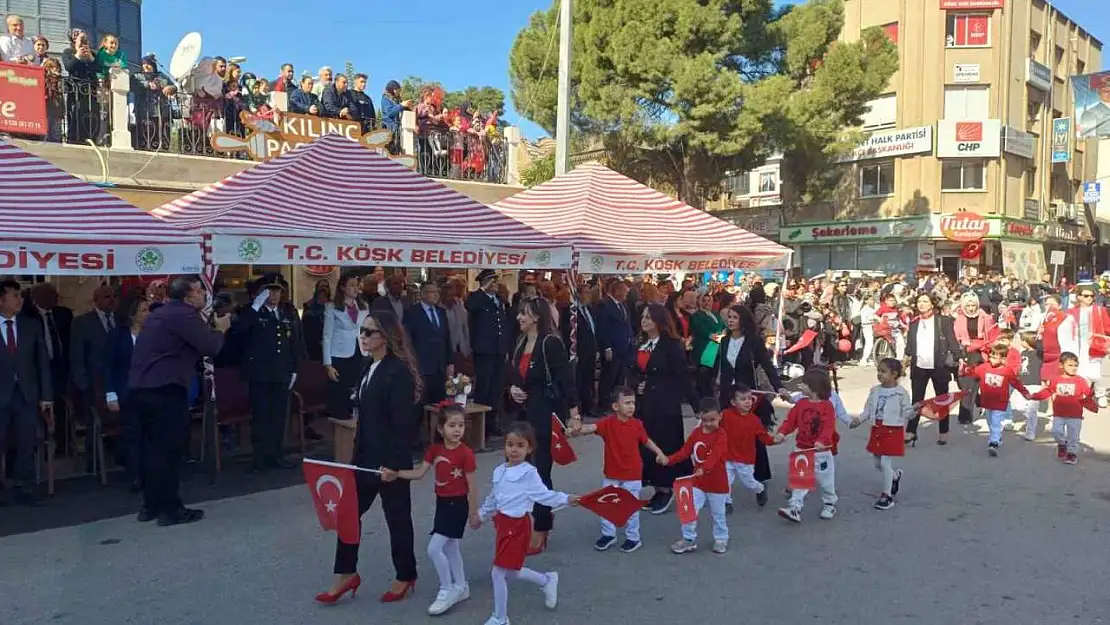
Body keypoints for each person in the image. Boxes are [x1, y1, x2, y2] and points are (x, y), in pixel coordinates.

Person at [315, 311, 422, 604]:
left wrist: (394, 465)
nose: (363, 336)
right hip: (363, 456)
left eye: (369, 331)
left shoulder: (397, 371)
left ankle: (405, 574)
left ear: (385, 336)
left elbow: (403, 424)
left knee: (397, 519)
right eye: (362, 331)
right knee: (349, 515)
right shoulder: (368, 366)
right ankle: (345, 574)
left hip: (388, 459)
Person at [129, 275, 228, 526]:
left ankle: (150, 505)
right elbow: (209, 346)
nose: (203, 296)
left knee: (152, 450)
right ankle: (170, 509)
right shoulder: (183, 315)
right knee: (169, 451)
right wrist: (221, 329)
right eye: (198, 291)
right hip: (165, 389)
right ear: (187, 296)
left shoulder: (161, 313)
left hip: (143, 389)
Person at [476, 422, 577, 625]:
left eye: (520, 445)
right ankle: (547, 580)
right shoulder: (499, 471)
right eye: (510, 444)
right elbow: (494, 498)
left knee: (498, 572)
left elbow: (544, 496)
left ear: (529, 448)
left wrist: (566, 498)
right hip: (502, 525)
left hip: (518, 527)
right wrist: (481, 515)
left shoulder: (529, 473)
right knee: (511, 570)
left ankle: (500, 617)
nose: (514, 450)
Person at [383, 405, 479, 616]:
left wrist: (473, 512)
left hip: (457, 505)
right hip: (442, 503)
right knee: (451, 547)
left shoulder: (466, 453)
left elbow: (472, 485)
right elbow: (419, 473)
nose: (457, 430)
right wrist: (396, 474)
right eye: (452, 425)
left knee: (434, 549)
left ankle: (447, 589)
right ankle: (462, 585)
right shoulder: (434, 450)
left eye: (461, 425)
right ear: (440, 429)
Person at [508, 297, 580, 554]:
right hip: (523, 415)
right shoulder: (519, 342)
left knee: (540, 472)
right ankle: (533, 520)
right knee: (522, 471)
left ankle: (541, 526)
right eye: (519, 314)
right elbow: (516, 375)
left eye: (524, 314)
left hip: (543, 414)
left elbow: (566, 379)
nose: (519, 318)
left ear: (537, 317)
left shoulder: (550, 342)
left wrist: (574, 413)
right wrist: (513, 389)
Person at [571, 385, 667, 553]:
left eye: (633, 403)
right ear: (616, 406)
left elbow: (646, 441)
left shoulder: (637, 424)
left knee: (631, 508)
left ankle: (633, 538)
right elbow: (590, 428)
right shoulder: (607, 423)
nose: (631, 407)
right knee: (606, 506)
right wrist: (575, 430)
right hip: (612, 474)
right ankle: (608, 534)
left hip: (632, 475)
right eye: (627, 403)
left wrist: (659, 452)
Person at [226, 274, 301, 472]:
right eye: (269, 290)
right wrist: (254, 307)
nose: (274, 294)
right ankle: (260, 458)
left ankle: (276, 454)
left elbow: (294, 341)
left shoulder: (286, 313)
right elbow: (239, 332)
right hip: (260, 373)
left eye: (277, 290)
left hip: (281, 372)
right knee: (261, 417)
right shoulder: (251, 312)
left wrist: (295, 367)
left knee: (278, 417)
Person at [632, 304, 697, 515]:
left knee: (665, 444)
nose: (644, 321)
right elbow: (633, 370)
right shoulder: (641, 343)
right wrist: (637, 384)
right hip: (644, 404)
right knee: (647, 445)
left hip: (665, 403)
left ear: (659, 320)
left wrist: (698, 406)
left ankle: (666, 488)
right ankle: (656, 486)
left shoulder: (671, 344)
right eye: (643, 317)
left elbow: (683, 376)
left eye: (649, 318)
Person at [715, 304, 787, 483]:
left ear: (743, 320)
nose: (730, 320)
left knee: (754, 434)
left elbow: (767, 365)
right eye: (729, 317)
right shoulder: (724, 341)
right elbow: (720, 367)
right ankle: (725, 475)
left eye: (734, 317)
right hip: (728, 395)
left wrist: (779, 387)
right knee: (725, 434)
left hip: (748, 395)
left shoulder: (753, 341)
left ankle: (760, 476)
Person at [0, 279, 53, 505]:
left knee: (26, 442)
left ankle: (25, 485)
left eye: (21, 296)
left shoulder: (31, 325)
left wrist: (46, 396)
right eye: (14, 296)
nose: (20, 300)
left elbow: (42, 362)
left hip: (26, 394)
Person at [660, 397, 730, 554]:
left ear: (720, 416)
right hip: (698, 482)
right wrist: (668, 460)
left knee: (718, 514)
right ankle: (688, 539)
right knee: (689, 510)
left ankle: (721, 538)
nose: (709, 424)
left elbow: (716, 455)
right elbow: (685, 451)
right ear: (699, 417)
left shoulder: (721, 435)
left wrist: (704, 468)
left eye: (712, 420)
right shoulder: (697, 433)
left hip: (717, 484)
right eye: (705, 420)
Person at [774, 368, 838, 523]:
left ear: (814, 388)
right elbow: (791, 420)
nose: (800, 386)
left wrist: (822, 441)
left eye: (804, 384)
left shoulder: (827, 406)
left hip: (821, 452)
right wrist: (783, 432)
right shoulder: (801, 403)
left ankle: (830, 503)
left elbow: (829, 426)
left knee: (825, 480)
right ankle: (795, 507)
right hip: (802, 449)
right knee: (800, 479)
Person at [104, 297, 153, 491]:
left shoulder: (154, 334)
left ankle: (151, 474)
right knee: (133, 435)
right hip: (127, 391)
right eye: (143, 310)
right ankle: (136, 475)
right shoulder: (118, 336)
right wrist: (111, 393)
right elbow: (108, 365)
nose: (148, 313)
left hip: (151, 390)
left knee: (151, 435)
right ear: (133, 315)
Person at [903, 293, 962, 446]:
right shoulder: (914, 323)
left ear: (932, 304)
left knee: (942, 400)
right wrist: (904, 363)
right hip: (919, 366)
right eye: (919, 301)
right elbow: (909, 347)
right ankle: (911, 431)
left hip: (939, 366)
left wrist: (959, 358)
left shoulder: (943, 321)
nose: (921, 304)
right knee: (916, 400)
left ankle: (943, 432)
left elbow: (952, 341)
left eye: (925, 301)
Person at [70, 284, 116, 470]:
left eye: (113, 296)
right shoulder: (82, 322)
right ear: (95, 300)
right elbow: (76, 354)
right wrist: (81, 382)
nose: (111, 300)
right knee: (93, 422)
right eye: (106, 296)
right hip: (93, 381)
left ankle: (120, 454)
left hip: (118, 378)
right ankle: (94, 461)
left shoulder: (121, 320)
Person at [960, 344, 1032, 457]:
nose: (991, 360)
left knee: (996, 422)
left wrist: (1025, 393)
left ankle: (993, 444)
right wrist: (964, 370)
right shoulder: (984, 367)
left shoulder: (1007, 371)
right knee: (989, 421)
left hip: (1000, 402)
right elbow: (974, 371)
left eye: (995, 357)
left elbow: (1016, 383)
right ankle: (997, 437)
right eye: (991, 356)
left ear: (1003, 359)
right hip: (987, 401)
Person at [858, 358, 912, 510]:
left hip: (893, 429)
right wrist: (859, 420)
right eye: (878, 371)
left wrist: (913, 411)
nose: (879, 374)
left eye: (883, 371)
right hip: (877, 428)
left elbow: (907, 412)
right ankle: (894, 477)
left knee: (884, 462)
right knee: (877, 463)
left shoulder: (901, 393)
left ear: (894, 374)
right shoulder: (875, 391)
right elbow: (868, 410)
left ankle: (887, 495)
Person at [1030, 352, 1098, 465]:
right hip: (1059, 414)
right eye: (1070, 365)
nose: (1073, 368)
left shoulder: (1080, 380)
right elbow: (1048, 391)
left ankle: (1071, 454)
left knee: (1073, 436)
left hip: (1075, 415)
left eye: (1075, 365)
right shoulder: (1055, 379)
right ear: (1061, 365)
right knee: (1056, 431)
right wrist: (1035, 396)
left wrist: (1092, 393)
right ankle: (1062, 444)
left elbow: (1087, 393)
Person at [468, 269, 509, 436]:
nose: (495, 285)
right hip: (484, 350)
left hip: (498, 349)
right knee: (483, 388)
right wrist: (482, 289)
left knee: (496, 388)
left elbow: (503, 325)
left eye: (496, 282)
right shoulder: (477, 298)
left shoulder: (498, 300)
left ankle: (493, 422)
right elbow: (471, 306)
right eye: (492, 282)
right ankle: (481, 426)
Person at [720, 384, 773, 512]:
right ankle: (726, 503)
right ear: (733, 402)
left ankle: (760, 489)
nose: (748, 402)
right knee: (724, 481)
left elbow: (763, 436)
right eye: (743, 399)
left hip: (745, 458)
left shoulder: (754, 420)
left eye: (750, 398)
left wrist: (774, 440)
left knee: (749, 482)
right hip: (727, 456)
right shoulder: (726, 415)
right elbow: (715, 427)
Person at [322, 274, 368, 421]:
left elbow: (367, 329)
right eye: (352, 285)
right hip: (339, 355)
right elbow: (327, 336)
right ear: (343, 287)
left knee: (358, 390)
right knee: (340, 393)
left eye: (357, 285)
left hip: (360, 351)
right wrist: (328, 364)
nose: (356, 288)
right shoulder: (332, 307)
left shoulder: (363, 306)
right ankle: (341, 426)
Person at [1057, 283, 1110, 407]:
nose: (1089, 298)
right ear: (1079, 297)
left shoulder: (1099, 310)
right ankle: (1081, 394)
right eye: (1086, 296)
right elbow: (1062, 328)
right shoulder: (1070, 312)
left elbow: (1107, 326)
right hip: (1076, 345)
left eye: (1092, 296)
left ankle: (1100, 394)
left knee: (1096, 372)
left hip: (1095, 345)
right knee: (1080, 371)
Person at [404, 281, 454, 407]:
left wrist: (449, 362)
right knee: (422, 403)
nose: (436, 295)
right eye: (433, 292)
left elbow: (447, 338)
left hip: (440, 367)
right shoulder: (412, 312)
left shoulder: (441, 312)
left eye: (437, 292)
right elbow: (407, 340)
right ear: (423, 294)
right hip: (422, 366)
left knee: (439, 404)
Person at [952, 291, 996, 425]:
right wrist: (963, 342)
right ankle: (978, 400)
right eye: (968, 305)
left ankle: (965, 414)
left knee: (970, 383)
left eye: (973, 305)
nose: (971, 308)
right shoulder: (959, 318)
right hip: (963, 352)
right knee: (964, 383)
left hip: (979, 352)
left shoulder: (986, 317)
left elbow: (992, 337)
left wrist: (980, 343)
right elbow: (955, 337)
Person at [596, 278, 635, 409]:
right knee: (609, 377)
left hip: (625, 347)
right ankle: (604, 404)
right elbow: (602, 327)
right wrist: (606, 346)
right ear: (617, 291)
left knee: (620, 377)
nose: (626, 294)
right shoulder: (605, 305)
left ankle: (616, 403)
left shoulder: (623, 305)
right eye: (624, 291)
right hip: (613, 348)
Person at [1012, 330, 1045, 442]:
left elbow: (1043, 347)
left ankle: (1030, 433)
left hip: (1035, 383)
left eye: (1022, 339)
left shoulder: (1039, 354)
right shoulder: (1023, 353)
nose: (1020, 341)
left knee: (1032, 410)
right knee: (1019, 406)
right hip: (1023, 383)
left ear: (1028, 341)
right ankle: (1027, 420)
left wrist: (1039, 338)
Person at [690, 292, 724, 398]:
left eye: (709, 301)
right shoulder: (697, 315)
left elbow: (722, 325)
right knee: (704, 373)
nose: (707, 303)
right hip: (704, 347)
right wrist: (711, 335)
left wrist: (723, 333)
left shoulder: (715, 314)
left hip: (717, 346)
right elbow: (699, 328)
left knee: (713, 373)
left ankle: (710, 394)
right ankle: (702, 395)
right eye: (704, 301)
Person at [301, 279, 332, 362]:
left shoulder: (333, 306)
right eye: (322, 286)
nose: (324, 289)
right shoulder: (308, 306)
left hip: (330, 347)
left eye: (326, 286)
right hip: (313, 347)